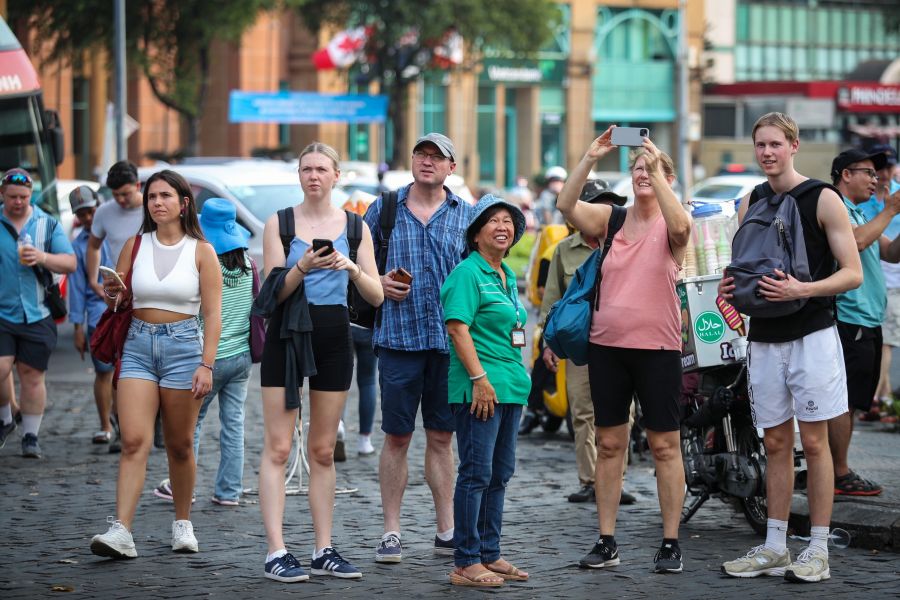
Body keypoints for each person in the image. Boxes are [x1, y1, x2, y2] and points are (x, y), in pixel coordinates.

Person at [719, 113, 862, 583]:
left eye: (776, 144)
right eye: (760, 145)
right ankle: (775, 546)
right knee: (775, 442)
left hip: (813, 334)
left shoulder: (823, 198)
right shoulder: (751, 201)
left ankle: (817, 549)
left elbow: (852, 272)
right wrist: (732, 285)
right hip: (764, 337)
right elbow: (743, 266)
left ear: (794, 145)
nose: (767, 153)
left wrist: (801, 290)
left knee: (815, 442)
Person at [556, 128, 692, 574]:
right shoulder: (612, 220)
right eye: (636, 169)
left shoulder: (674, 221)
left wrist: (659, 171)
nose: (642, 175)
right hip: (607, 348)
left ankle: (670, 541)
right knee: (611, 443)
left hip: (657, 348)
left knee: (664, 446)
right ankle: (607, 538)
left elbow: (681, 229)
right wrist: (591, 155)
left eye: (650, 168)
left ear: (666, 176)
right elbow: (565, 206)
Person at [255, 142, 383, 582]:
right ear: (299, 175)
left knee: (324, 450)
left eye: (321, 169)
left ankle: (322, 548)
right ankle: (276, 550)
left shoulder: (355, 225)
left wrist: (351, 268)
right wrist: (303, 267)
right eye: (306, 168)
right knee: (278, 446)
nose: (313, 176)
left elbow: (376, 295)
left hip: (333, 333)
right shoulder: (281, 222)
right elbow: (271, 295)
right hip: (288, 333)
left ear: (336, 175)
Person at [89, 169, 222, 559]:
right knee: (133, 440)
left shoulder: (202, 251)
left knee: (180, 445)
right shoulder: (135, 244)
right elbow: (118, 301)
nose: (156, 202)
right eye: (151, 196)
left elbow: (213, 315)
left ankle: (183, 522)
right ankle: (122, 531)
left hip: (184, 349)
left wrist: (206, 364)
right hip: (137, 347)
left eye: (165, 195)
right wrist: (113, 294)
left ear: (183, 204)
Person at [365, 133, 473, 563]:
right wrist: (378, 284)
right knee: (396, 437)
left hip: (448, 345)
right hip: (398, 341)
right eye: (421, 155)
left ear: (451, 168)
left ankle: (446, 529)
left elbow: (478, 277)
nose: (427, 162)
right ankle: (391, 531)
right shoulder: (384, 210)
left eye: (437, 157)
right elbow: (357, 268)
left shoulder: (466, 217)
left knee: (443, 438)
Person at [442, 194, 530, 588]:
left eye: (508, 221)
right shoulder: (467, 273)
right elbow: (457, 328)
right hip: (481, 388)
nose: (502, 226)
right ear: (476, 234)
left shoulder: (506, 275)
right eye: (493, 220)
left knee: (500, 473)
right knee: (476, 473)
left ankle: (490, 552)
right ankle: (466, 560)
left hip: (510, 387)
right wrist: (479, 380)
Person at [539, 179, 636, 505]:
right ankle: (589, 480)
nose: (603, 211)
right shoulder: (564, 251)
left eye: (609, 205)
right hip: (581, 343)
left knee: (624, 414)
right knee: (582, 413)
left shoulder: (626, 241)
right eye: (596, 204)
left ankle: (615, 481)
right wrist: (547, 343)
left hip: (622, 341)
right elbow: (552, 300)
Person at [828, 149, 900, 496]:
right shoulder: (836, 207)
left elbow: (889, 252)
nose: (876, 180)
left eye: (877, 174)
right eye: (868, 173)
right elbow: (855, 243)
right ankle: (839, 473)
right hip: (850, 317)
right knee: (845, 402)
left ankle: (834, 468)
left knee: (854, 401)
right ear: (845, 174)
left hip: (868, 318)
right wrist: (890, 209)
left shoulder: (856, 211)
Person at [0, 168, 76, 456]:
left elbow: (69, 263)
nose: (18, 202)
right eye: (12, 197)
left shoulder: (47, 224)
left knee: (32, 375)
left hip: (37, 312)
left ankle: (30, 436)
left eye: (23, 197)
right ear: (2, 194)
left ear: (31, 195)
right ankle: (6, 417)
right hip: (2, 313)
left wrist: (42, 257)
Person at [191, 197, 257, 505]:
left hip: (209, 357)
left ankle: (183, 486)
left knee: (191, 424)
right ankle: (229, 491)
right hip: (242, 356)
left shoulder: (205, 265)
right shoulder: (249, 264)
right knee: (234, 425)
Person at [87, 160, 146, 453]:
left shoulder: (152, 206)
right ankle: (121, 426)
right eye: (116, 195)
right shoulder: (104, 212)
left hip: (149, 295)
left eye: (125, 193)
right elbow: (93, 245)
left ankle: (148, 423)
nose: (121, 200)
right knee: (121, 366)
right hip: (117, 298)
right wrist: (93, 280)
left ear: (137, 185)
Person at [68, 185, 116, 444]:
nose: (88, 218)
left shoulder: (116, 232)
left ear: (98, 207)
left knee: (126, 372)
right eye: (82, 214)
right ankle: (105, 425)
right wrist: (77, 326)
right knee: (103, 372)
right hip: (98, 317)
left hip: (126, 310)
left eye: (90, 211)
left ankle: (127, 422)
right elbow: (76, 288)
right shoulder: (78, 246)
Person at [858, 145, 900, 416]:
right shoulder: (865, 197)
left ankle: (879, 396)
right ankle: (881, 396)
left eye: (887, 167)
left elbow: (892, 250)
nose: (882, 174)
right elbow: (861, 238)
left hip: (894, 279)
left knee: (885, 339)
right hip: (867, 278)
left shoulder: (895, 194)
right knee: (880, 339)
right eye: (877, 169)